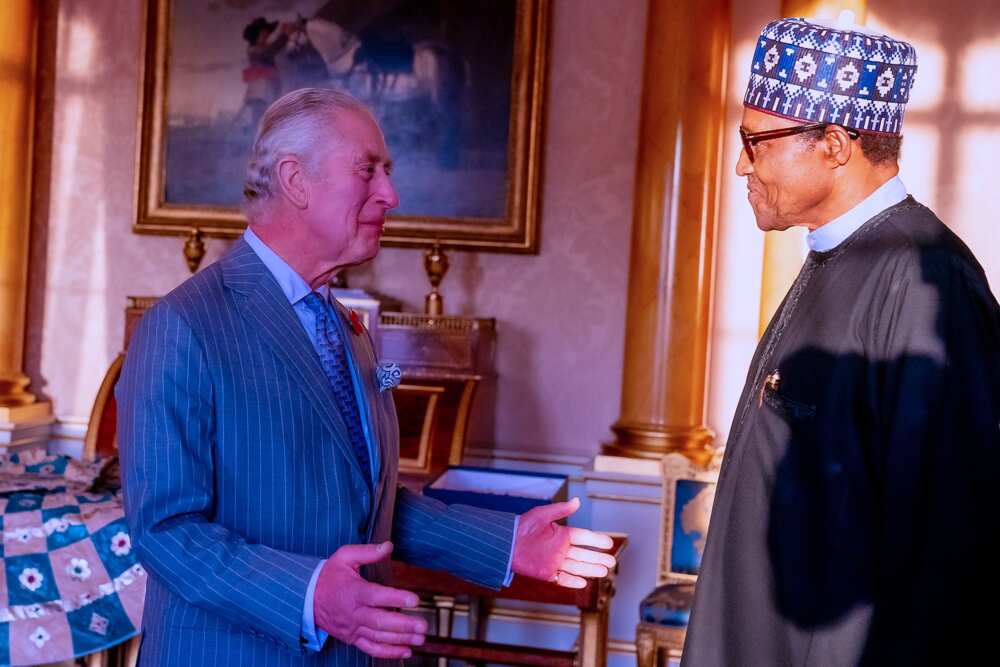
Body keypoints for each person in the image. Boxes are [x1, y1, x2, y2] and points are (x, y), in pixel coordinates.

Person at [116, 87, 616, 666]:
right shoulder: (184, 323)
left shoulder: (343, 327)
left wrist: (506, 545)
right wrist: (310, 595)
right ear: (295, 180)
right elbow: (165, 531)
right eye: (368, 170)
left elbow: (364, 504)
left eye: (388, 172)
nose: (391, 194)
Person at [682, 17, 1000, 666]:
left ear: (832, 143)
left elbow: (942, 550)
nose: (742, 163)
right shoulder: (840, 255)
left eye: (756, 142)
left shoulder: (924, 276)